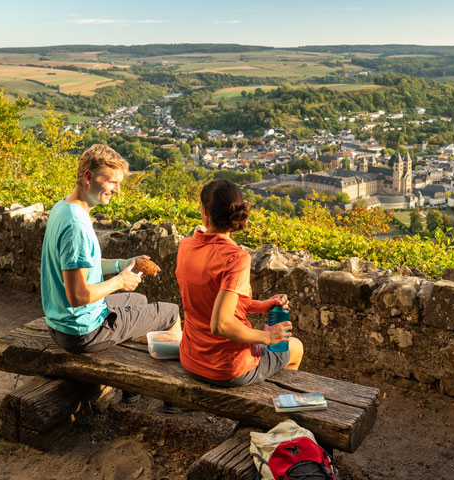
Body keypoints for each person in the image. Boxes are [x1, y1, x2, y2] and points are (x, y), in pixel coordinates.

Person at [40, 144, 181, 409]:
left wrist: (123, 264)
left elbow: (81, 265)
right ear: (88, 177)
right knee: (170, 313)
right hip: (82, 332)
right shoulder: (77, 227)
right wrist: (120, 282)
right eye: (112, 182)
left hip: (60, 324)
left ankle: (130, 387)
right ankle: (174, 398)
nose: (117, 190)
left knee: (137, 300)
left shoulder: (64, 208)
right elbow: (78, 295)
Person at [175, 179, 304, 387]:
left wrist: (260, 306)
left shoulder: (185, 246)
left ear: (204, 212)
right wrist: (266, 337)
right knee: (295, 347)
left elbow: (208, 299)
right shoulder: (235, 258)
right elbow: (220, 325)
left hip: (191, 359)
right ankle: (272, 410)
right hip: (227, 368)